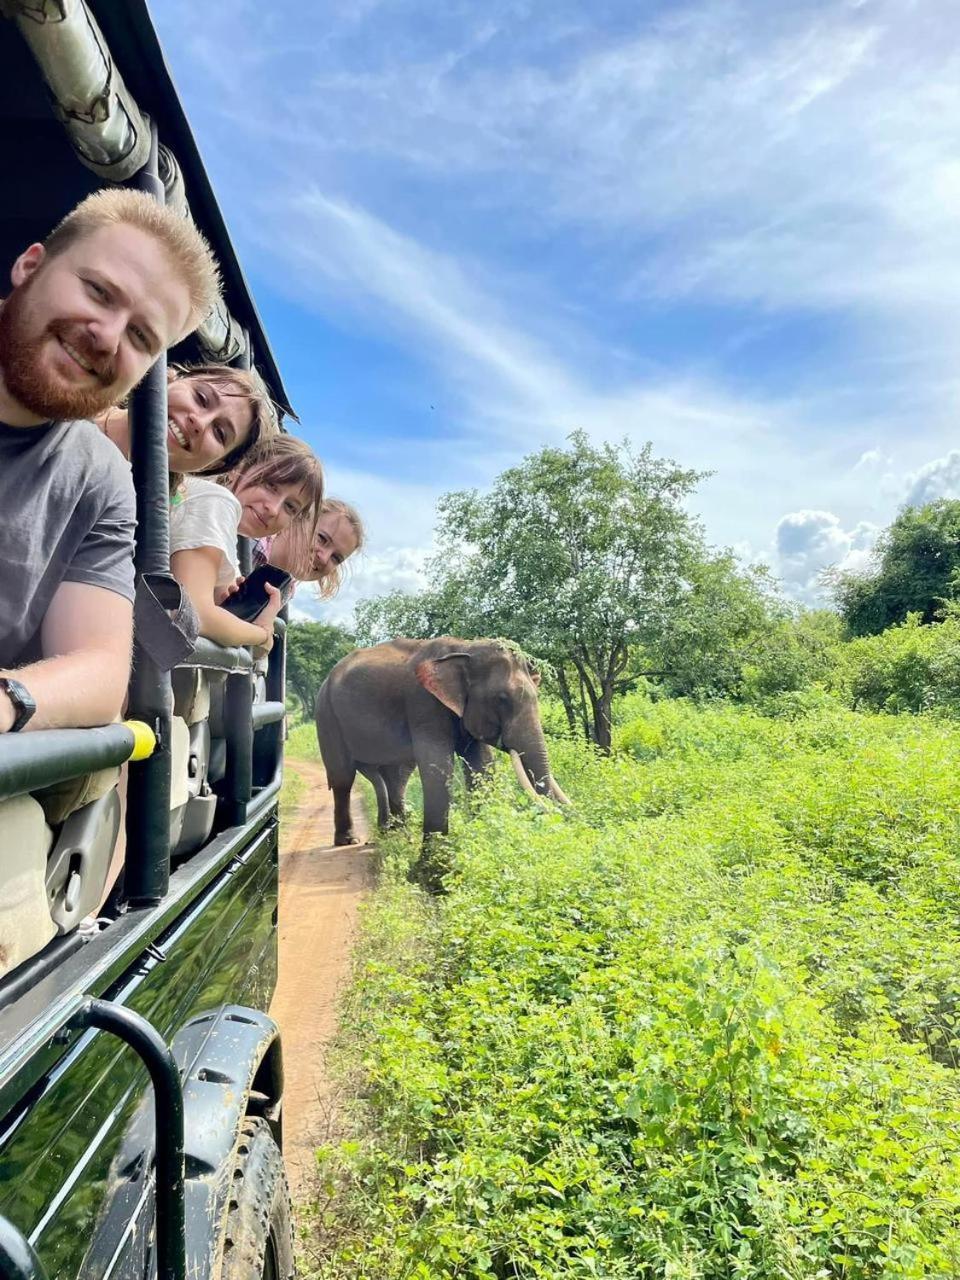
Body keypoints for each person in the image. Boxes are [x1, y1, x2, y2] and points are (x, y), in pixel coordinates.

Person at [0, 188, 220, 735]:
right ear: (30, 266)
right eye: (98, 292)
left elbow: (100, 670)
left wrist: (7, 701)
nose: (106, 336)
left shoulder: (100, 477)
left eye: (141, 336)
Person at [170, 435, 324, 651]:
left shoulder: (221, 518)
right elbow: (193, 615)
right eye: (271, 485)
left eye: (290, 507)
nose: (274, 509)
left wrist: (221, 599)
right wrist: (262, 634)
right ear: (239, 466)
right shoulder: (218, 501)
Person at [98, 362, 277, 483]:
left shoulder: (166, 528)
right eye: (201, 398)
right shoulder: (79, 402)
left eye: (219, 433)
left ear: (213, 465)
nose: (200, 422)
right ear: (172, 378)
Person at [254, 497, 364, 603]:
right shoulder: (245, 546)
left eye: (336, 558)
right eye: (322, 538)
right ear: (296, 519)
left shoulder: (285, 590)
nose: (324, 559)